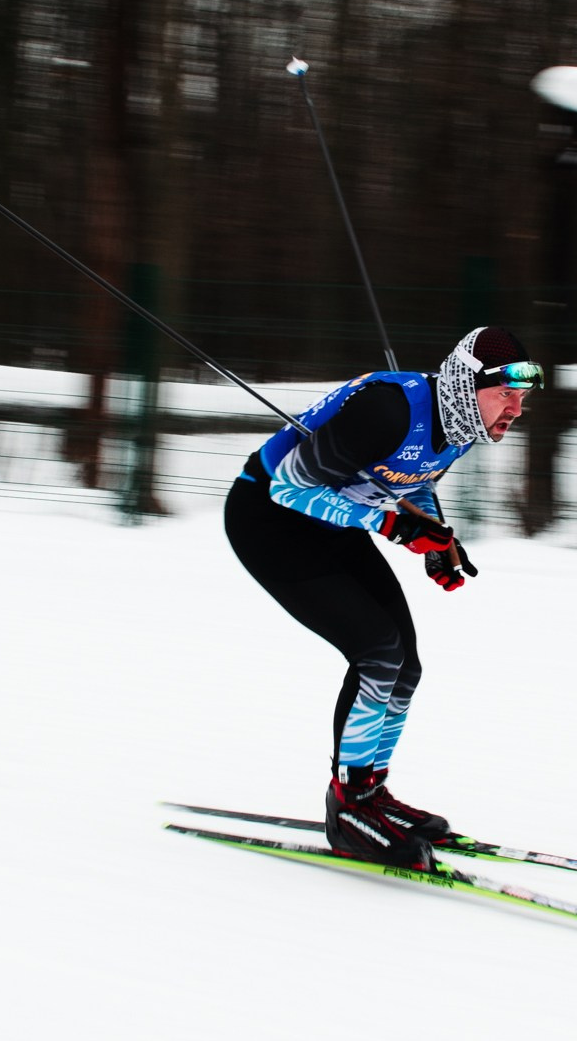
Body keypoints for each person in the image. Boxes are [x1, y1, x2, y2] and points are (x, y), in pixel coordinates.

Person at [222, 326, 541, 870]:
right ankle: (346, 810)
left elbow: (411, 479)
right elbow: (288, 488)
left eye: (522, 398)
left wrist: (435, 536)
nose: (515, 408)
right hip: (269, 524)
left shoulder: (462, 424)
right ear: (468, 384)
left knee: (405, 666)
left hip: (333, 525)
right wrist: (393, 528)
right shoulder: (385, 411)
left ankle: (371, 794)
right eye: (505, 394)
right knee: (377, 653)